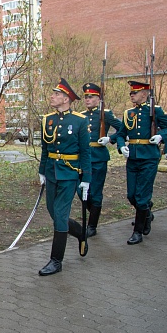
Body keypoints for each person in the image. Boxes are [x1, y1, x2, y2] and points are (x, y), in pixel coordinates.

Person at [38, 78, 91, 276]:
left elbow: (86, 152)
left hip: (70, 172)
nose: (53, 96)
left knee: (60, 214)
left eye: (57, 94)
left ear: (67, 99)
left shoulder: (79, 120)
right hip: (52, 171)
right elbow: (45, 149)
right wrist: (42, 170)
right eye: (53, 93)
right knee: (53, 211)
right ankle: (80, 232)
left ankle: (56, 260)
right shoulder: (47, 119)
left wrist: (86, 178)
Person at [115, 81, 167, 245]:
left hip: (149, 157)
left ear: (144, 94)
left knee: (142, 197)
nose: (132, 95)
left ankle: (138, 232)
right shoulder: (128, 113)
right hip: (133, 157)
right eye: (131, 93)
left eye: (135, 93)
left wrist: (161, 135)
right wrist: (122, 146)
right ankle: (147, 214)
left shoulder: (155, 111)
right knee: (131, 195)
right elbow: (121, 134)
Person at [80, 82, 125, 237]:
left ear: (98, 99)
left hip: (99, 157)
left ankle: (92, 226)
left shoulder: (105, 114)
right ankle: (95, 212)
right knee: (81, 191)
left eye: (91, 97)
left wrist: (110, 138)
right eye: (86, 97)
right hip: (84, 158)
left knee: (95, 192)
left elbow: (123, 128)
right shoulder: (82, 116)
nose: (87, 100)